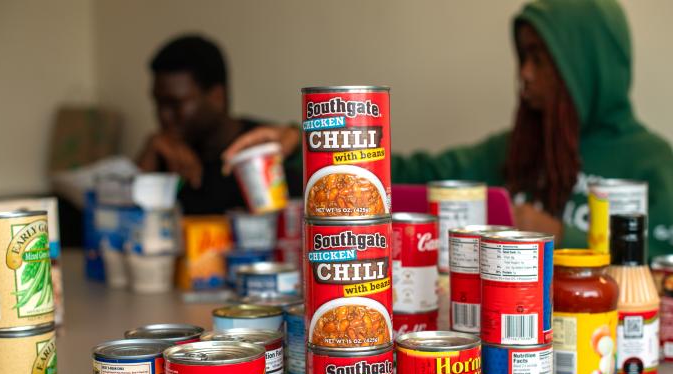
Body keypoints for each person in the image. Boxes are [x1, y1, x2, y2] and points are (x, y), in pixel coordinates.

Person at [223, 0, 673, 257]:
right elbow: (413, 173)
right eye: (523, 58)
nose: (526, 76)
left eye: (541, 59)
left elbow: (658, 274)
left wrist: (559, 236)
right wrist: (303, 144)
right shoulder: (513, 152)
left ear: (588, 67)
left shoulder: (652, 162)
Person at [137, 34, 301, 214]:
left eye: (175, 104)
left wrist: (300, 139)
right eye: (159, 103)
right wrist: (150, 152)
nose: (164, 116)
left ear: (217, 97)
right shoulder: (166, 152)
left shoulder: (266, 151)